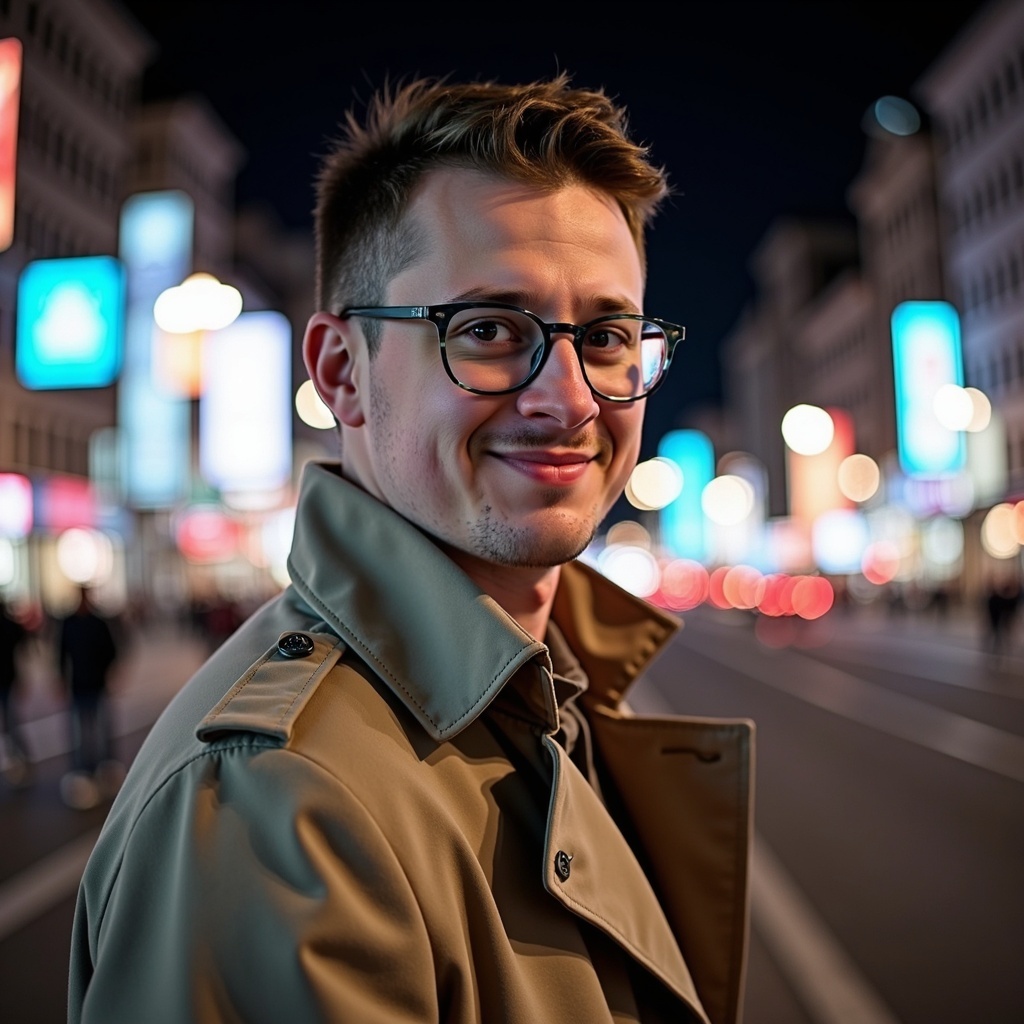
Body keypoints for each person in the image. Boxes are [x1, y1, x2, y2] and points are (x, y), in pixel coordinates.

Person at [69, 75, 754, 1024]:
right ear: (342, 373)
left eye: (605, 337)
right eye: (486, 330)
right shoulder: (278, 804)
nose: (570, 400)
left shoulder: (560, 679)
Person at [58, 586, 121, 809]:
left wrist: (109, 674)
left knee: (102, 731)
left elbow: (112, 651)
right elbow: (61, 653)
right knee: (79, 735)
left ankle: (104, 769)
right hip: (78, 686)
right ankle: (84, 772)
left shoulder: (98, 623)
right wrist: (60, 680)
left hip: (97, 685)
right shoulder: (69, 623)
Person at [0, 596, 31, 787]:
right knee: (12, 724)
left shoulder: (8, 626)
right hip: (9, 678)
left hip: (7, 679)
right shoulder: (10, 625)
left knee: (11, 723)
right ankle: (19, 756)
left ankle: (19, 756)